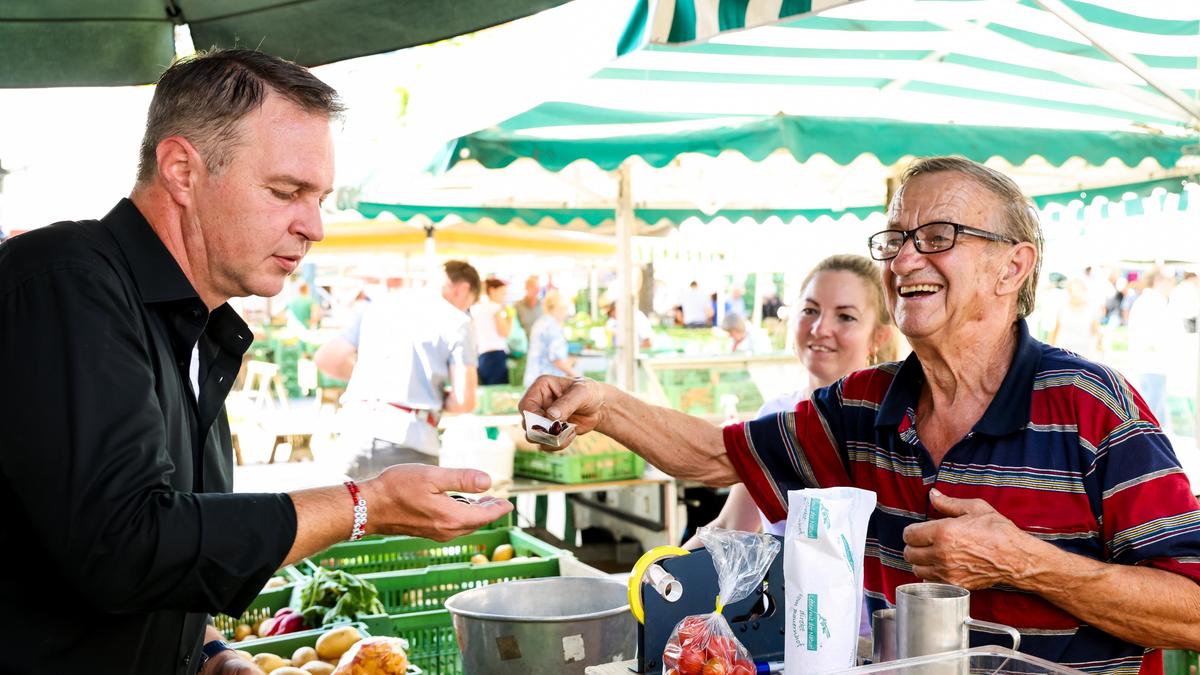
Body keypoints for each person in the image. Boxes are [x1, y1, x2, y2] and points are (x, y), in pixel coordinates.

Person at [521, 156, 1200, 672]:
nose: (904, 259)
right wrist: (603, 403)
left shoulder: (1091, 408)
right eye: (895, 239)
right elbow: (715, 454)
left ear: (1011, 267)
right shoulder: (863, 404)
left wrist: (1026, 562)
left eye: (937, 236)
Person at [0, 50, 511, 675]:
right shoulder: (65, 281)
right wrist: (364, 504)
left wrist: (209, 650)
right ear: (183, 172)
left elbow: (162, 540)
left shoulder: (197, 327)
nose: (315, 226)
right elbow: (123, 544)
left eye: (319, 196)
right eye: (285, 192)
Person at [687, 254, 895, 544]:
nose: (820, 328)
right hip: (788, 591)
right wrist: (655, 574)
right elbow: (730, 526)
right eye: (810, 310)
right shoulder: (777, 414)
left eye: (845, 316)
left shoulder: (891, 422)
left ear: (879, 337)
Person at [315, 260, 482, 478]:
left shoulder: (379, 305)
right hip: (410, 439)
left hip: (354, 433)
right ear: (463, 289)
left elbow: (327, 358)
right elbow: (464, 400)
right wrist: (434, 395)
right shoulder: (457, 321)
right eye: (468, 304)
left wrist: (367, 380)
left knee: (354, 512)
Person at [1126, 269, 1175, 431]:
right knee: (1153, 416)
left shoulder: (1143, 301)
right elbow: (1158, 336)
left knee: (1150, 410)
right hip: (1154, 363)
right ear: (1159, 282)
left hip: (1146, 362)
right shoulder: (1155, 302)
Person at [523, 290, 577, 387]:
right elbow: (556, 359)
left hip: (534, 380)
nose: (566, 313)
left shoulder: (540, 322)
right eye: (565, 308)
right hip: (546, 383)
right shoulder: (553, 326)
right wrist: (577, 377)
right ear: (557, 308)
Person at [472, 277, 513, 385]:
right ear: (492, 290)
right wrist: (510, 318)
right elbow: (505, 333)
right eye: (502, 293)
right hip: (496, 356)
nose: (504, 297)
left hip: (482, 355)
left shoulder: (478, 308)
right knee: (498, 392)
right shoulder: (496, 308)